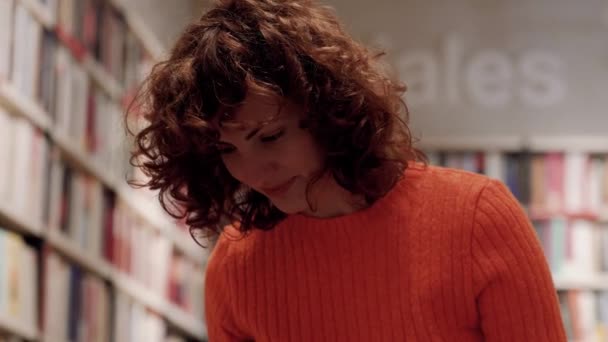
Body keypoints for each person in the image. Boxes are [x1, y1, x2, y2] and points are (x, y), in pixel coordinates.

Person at [129, 0, 567, 341]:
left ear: (326, 111)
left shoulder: (475, 218)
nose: (254, 171)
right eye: (226, 148)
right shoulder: (236, 263)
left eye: (270, 137)